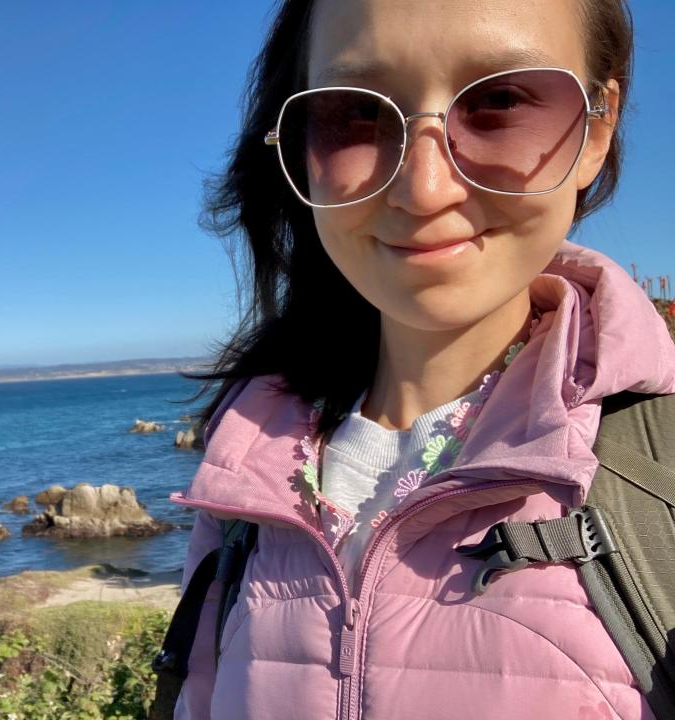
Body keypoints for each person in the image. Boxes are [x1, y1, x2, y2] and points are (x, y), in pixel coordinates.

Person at [171, 0, 675, 718]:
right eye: (356, 115)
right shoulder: (243, 475)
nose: (423, 188)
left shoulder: (660, 475)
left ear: (597, 128)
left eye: (500, 100)